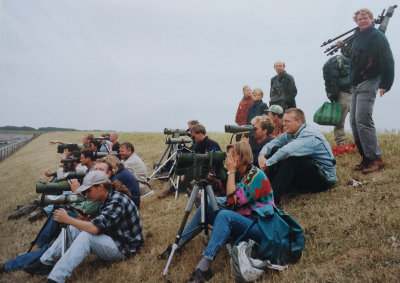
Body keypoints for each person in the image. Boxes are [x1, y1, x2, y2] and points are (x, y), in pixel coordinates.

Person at [167, 142, 275, 282]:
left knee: (225, 215)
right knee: (207, 206)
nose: (228, 158)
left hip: (261, 228)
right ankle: (178, 244)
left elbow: (232, 200)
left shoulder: (256, 176)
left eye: (232, 155)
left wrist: (230, 171)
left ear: (241, 158)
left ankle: (203, 268)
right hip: (247, 220)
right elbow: (225, 194)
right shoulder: (243, 173)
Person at [23, 171, 143, 282]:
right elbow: (105, 223)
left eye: (88, 191)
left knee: (85, 236)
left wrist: (68, 219)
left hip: (125, 248)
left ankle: (55, 278)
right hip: (115, 237)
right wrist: (86, 221)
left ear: (100, 187)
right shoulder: (106, 197)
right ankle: (45, 263)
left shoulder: (116, 200)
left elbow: (95, 229)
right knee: (75, 228)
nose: (85, 194)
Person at [345, 8, 394, 174]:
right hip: (356, 83)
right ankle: (366, 157)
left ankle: (376, 158)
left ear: (372, 19)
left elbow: (388, 59)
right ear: (356, 21)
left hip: (369, 80)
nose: (363, 21)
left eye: (365, 18)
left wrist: (386, 84)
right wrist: (343, 48)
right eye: (360, 19)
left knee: (363, 120)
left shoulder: (377, 36)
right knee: (354, 122)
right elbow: (355, 58)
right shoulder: (359, 37)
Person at [258, 108, 337, 205]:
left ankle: (271, 200)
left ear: (299, 122)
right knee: (275, 149)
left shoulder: (309, 135)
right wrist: (261, 156)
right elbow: (272, 144)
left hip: (325, 179)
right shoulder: (292, 132)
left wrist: (267, 163)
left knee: (291, 159)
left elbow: (287, 151)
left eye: (287, 121)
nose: (283, 124)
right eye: (283, 121)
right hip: (309, 173)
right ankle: (266, 189)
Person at [158, 124, 221, 198]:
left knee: (194, 171)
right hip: (201, 170)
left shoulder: (212, 144)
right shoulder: (197, 144)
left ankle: (174, 190)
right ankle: (176, 189)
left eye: (193, 136)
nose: (192, 138)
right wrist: (183, 172)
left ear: (200, 134)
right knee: (188, 173)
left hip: (212, 172)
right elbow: (191, 159)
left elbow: (216, 162)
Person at [323, 54, 352, 146]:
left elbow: (329, 79)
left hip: (343, 93)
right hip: (353, 92)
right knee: (359, 121)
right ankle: (342, 144)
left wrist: (331, 94)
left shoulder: (333, 61)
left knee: (339, 121)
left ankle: (341, 144)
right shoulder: (358, 58)